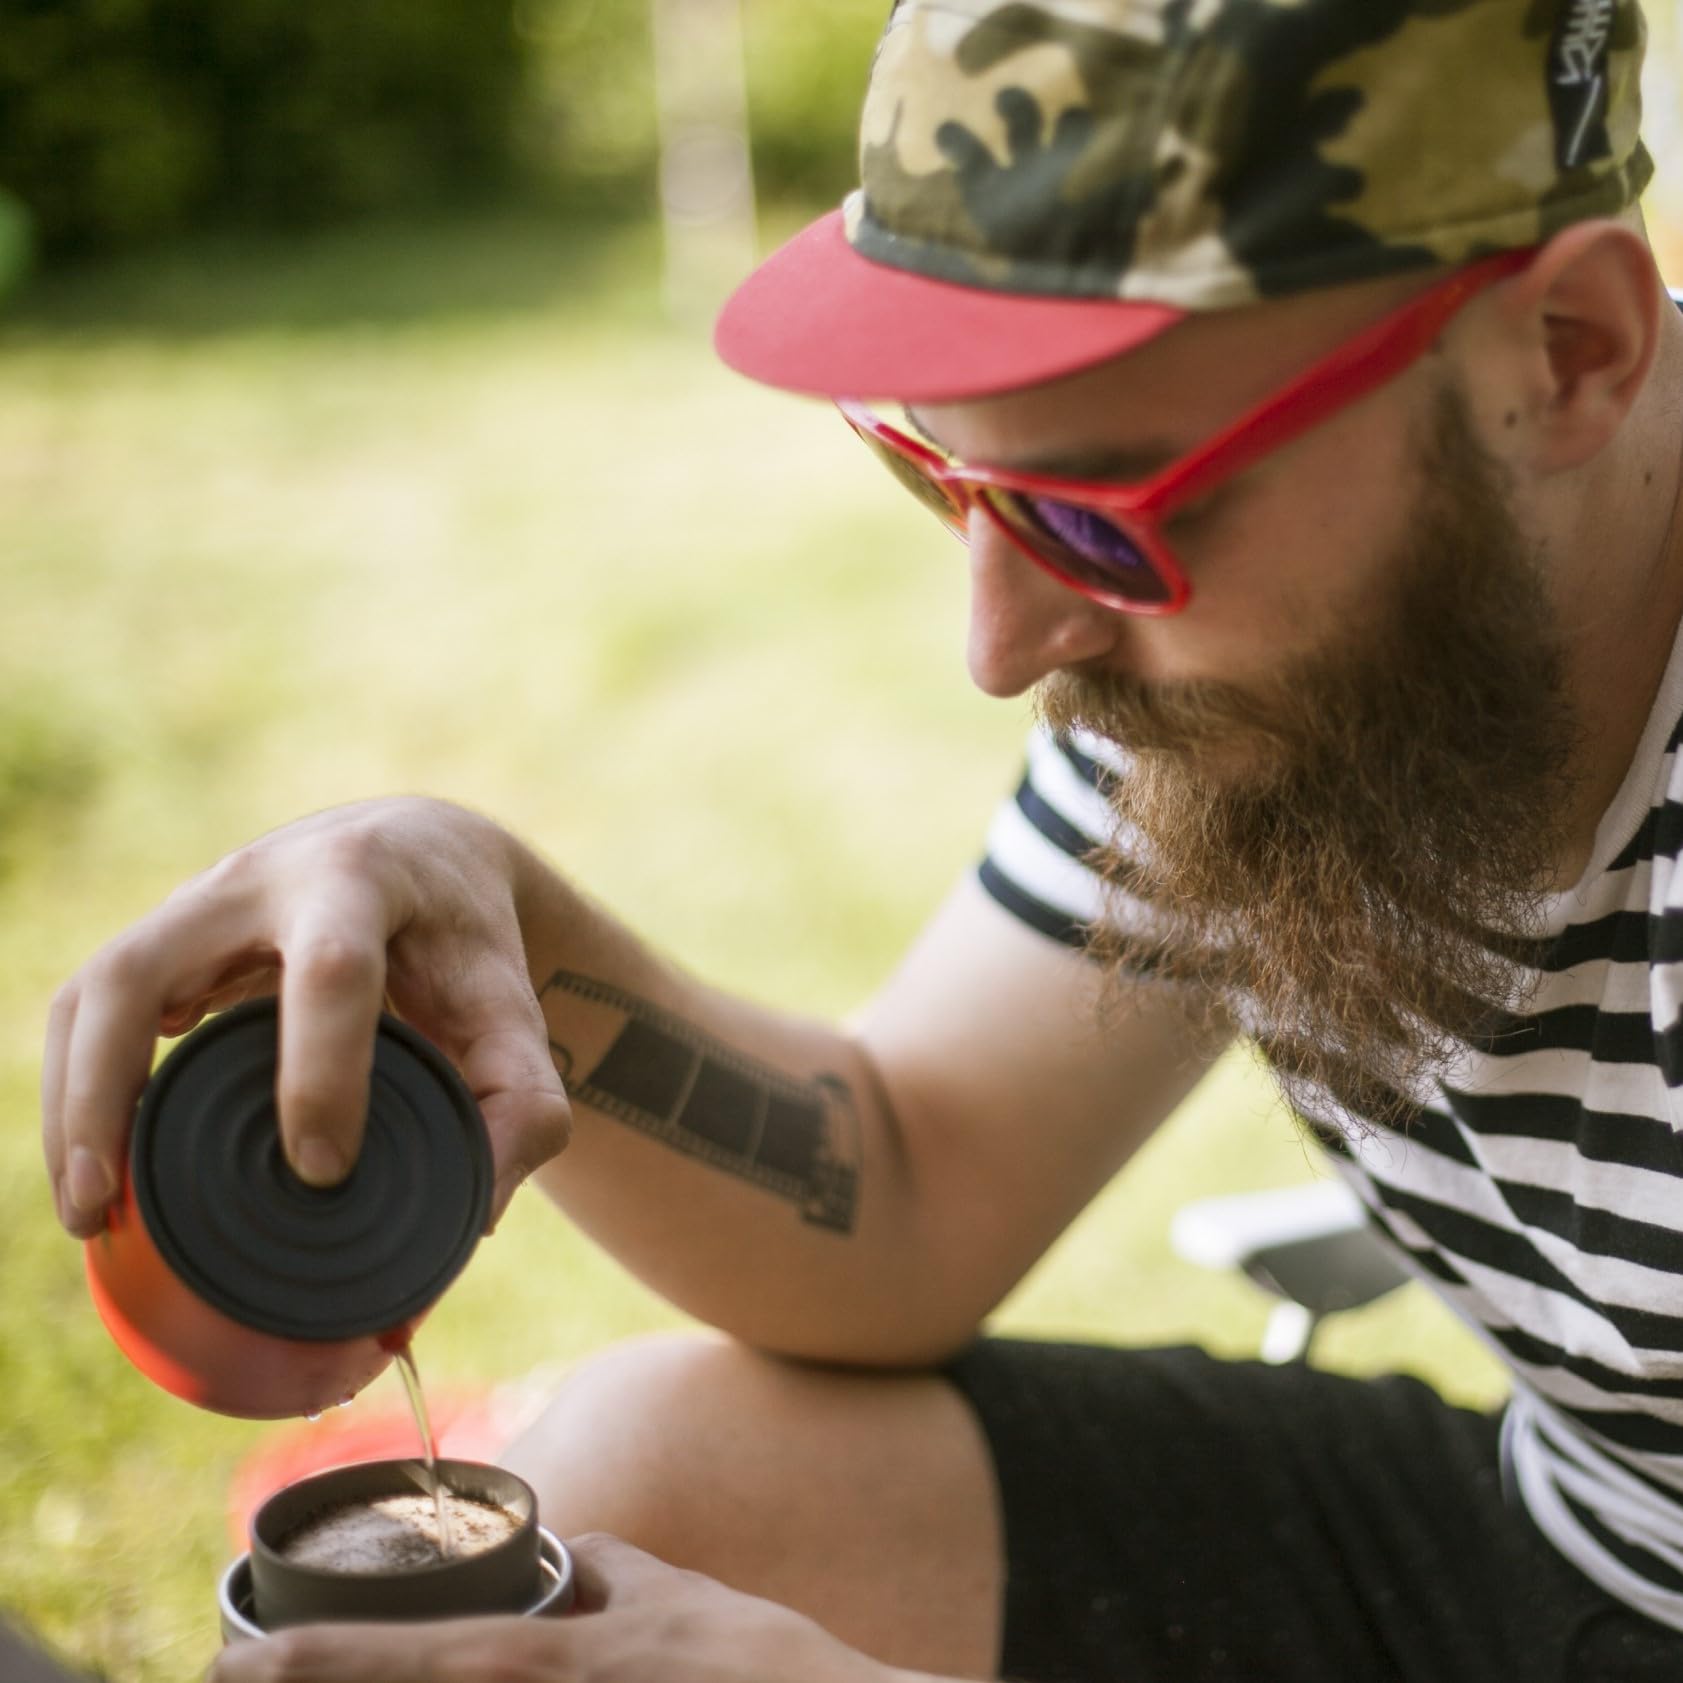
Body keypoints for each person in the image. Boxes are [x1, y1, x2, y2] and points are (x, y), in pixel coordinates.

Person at [41, 1, 1683, 1678]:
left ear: (1568, 351)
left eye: (1104, 519)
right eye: (945, 480)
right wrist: (499, 928)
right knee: (619, 1505)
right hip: (1573, 1524)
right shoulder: (1279, 682)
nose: (1005, 645)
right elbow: (907, 1188)